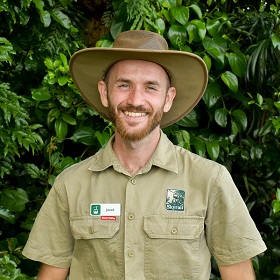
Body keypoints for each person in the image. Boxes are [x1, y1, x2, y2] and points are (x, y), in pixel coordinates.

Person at [23, 30, 267, 280]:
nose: (135, 100)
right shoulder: (70, 184)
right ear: (105, 92)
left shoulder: (209, 180)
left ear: (168, 98)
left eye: (151, 87)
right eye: (124, 85)